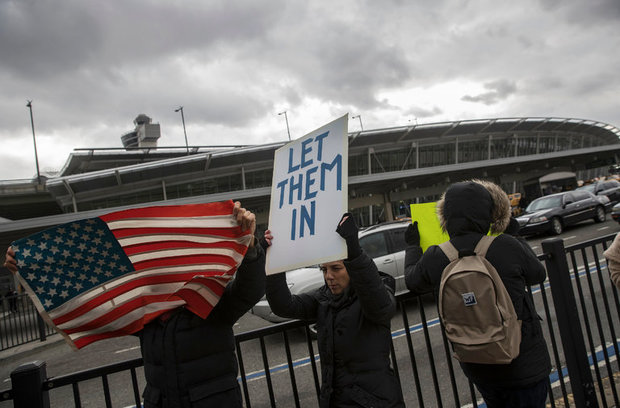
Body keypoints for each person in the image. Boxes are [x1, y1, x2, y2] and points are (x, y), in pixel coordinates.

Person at [4, 201, 265, 408]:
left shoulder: (210, 301)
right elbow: (91, 298)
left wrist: (250, 246)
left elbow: (249, 290)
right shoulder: (142, 311)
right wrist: (29, 268)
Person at [405, 180, 551, 408]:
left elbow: (412, 281)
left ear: (447, 216)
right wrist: (516, 236)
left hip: (477, 365)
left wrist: (412, 246)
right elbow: (537, 275)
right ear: (488, 212)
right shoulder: (506, 245)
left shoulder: (438, 256)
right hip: (524, 364)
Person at [263, 213, 405, 408]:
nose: (329, 276)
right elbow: (283, 306)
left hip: (375, 402)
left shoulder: (376, 291)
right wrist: (274, 263)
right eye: (324, 269)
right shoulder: (323, 298)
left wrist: (354, 251)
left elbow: (381, 309)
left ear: (351, 268)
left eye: (336, 268)